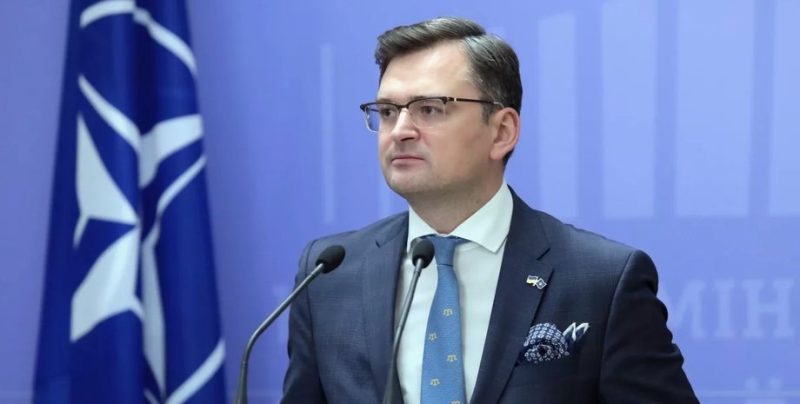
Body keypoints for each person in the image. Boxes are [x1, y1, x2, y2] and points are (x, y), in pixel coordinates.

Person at [282, 17, 698, 404]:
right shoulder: (329, 276)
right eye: (388, 112)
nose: (401, 130)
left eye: (430, 108)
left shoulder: (601, 281)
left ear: (502, 131)